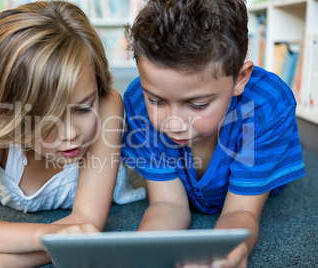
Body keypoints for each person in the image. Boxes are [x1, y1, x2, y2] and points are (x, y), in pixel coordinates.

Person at [0, 1, 145, 267]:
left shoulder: (108, 105)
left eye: (84, 108)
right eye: (46, 118)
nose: (72, 133)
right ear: (7, 114)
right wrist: (47, 234)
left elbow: (85, 226)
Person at [121, 0, 305, 267]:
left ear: (240, 78)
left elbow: (241, 210)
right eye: (156, 100)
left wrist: (225, 252)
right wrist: (145, 253)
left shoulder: (268, 105)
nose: (173, 124)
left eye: (197, 104)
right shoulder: (137, 102)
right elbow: (167, 204)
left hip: (254, 189)